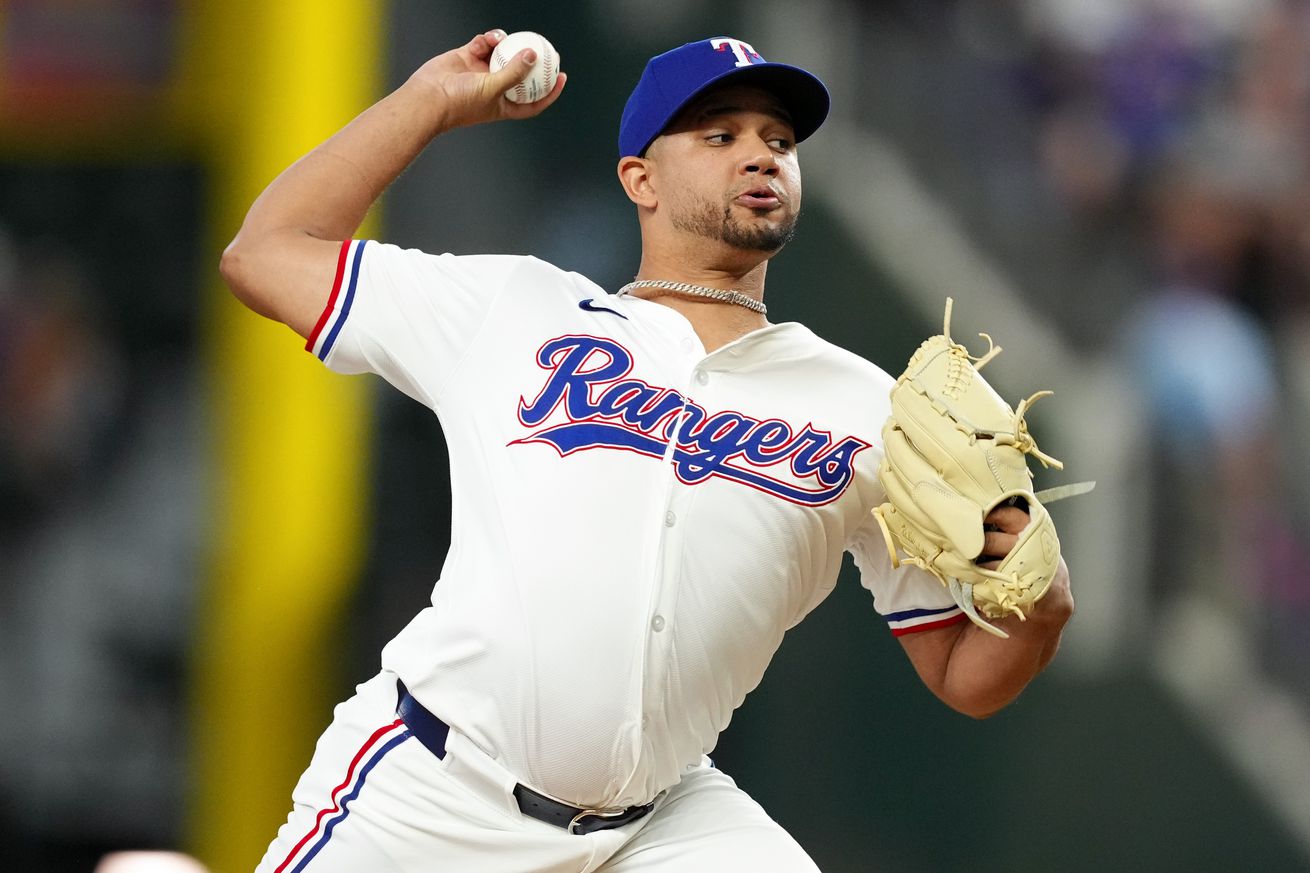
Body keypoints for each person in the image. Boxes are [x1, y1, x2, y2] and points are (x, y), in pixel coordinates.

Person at [221, 30, 1075, 873]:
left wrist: (1036, 612)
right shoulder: (516, 308)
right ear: (642, 179)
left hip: (661, 823)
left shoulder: (870, 407)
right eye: (720, 135)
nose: (760, 156)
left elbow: (964, 676)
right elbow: (265, 255)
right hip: (438, 790)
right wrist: (428, 103)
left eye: (779, 140)